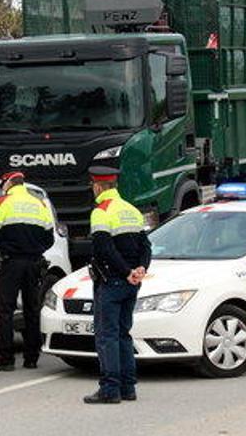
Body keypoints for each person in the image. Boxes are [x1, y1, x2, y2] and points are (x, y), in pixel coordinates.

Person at [0, 171, 55, 371]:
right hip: (34, 264)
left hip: (11, 264)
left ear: (8, 183)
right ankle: (31, 358)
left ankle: (5, 359)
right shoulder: (40, 204)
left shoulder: (1, 203)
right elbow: (50, 239)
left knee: (6, 311)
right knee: (31, 310)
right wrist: (33, 249)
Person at [84, 166, 151, 404]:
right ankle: (128, 387)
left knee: (106, 336)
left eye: (93, 185)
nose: (93, 189)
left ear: (99, 186)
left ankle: (110, 389)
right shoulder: (131, 210)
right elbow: (146, 246)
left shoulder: (101, 211)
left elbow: (104, 248)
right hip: (132, 283)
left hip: (113, 281)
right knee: (124, 334)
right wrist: (141, 269)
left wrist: (126, 272)